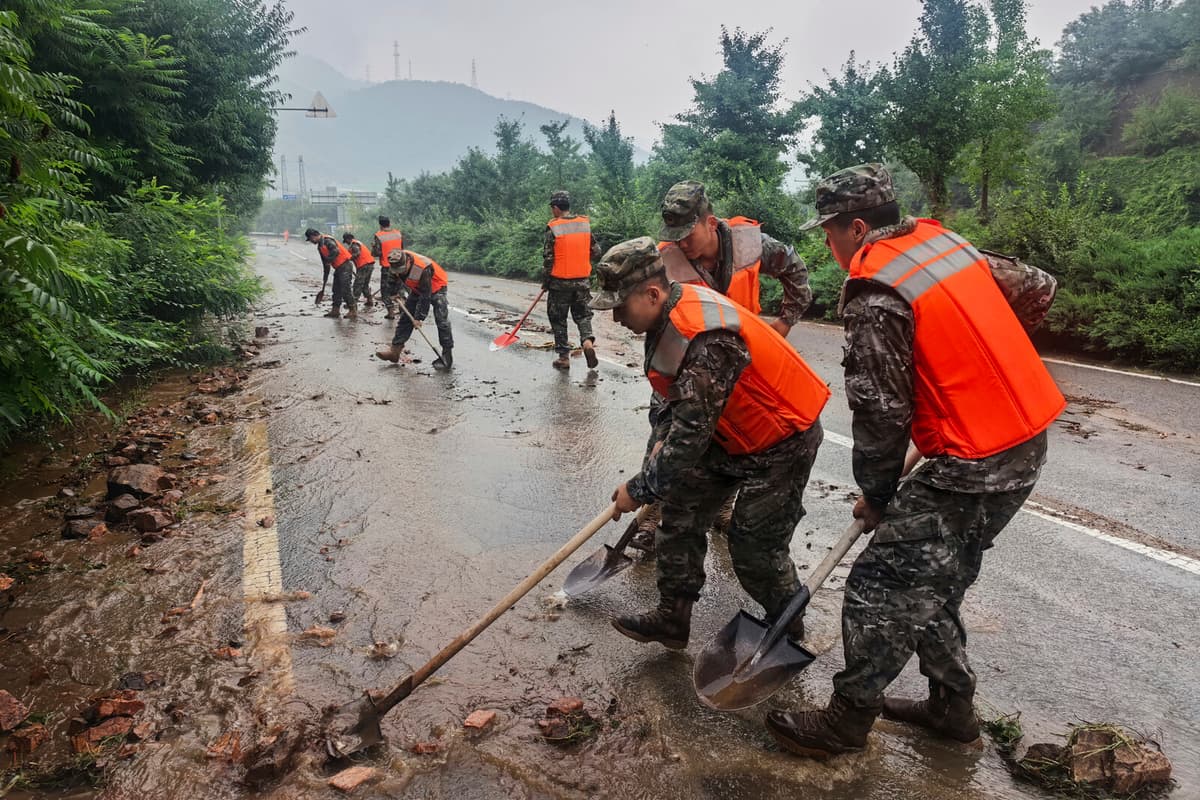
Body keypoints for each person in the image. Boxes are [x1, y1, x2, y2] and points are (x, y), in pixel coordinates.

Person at [765, 164, 1065, 760]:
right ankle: (952, 711)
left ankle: (846, 723)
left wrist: (877, 494)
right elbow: (1038, 285)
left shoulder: (878, 292)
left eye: (828, 232)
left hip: (970, 463)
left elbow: (879, 413)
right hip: (1024, 440)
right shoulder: (944, 245)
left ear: (854, 227)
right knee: (936, 581)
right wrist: (982, 357)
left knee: (880, 585)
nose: (828, 245)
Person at [593, 237, 830, 650]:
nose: (614, 318)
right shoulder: (665, 316)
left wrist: (639, 487)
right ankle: (673, 617)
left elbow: (689, 439)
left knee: (753, 545)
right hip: (728, 429)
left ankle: (786, 627)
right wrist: (656, 448)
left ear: (652, 293)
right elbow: (674, 402)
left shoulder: (703, 338)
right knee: (680, 511)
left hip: (782, 439)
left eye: (619, 306)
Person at [632, 181, 817, 553]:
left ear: (710, 222)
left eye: (688, 234)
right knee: (667, 438)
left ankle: (723, 510)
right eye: (675, 236)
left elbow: (796, 272)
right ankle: (653, 516)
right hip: (684, 367)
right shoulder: (666, 262)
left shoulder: (751, 245)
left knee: (735, 439)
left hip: (742, 369)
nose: (682, 243)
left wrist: (785, 322)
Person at [543, 190, 601, 370]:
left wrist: (546, 281)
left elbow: (548, 258)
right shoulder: (584, 224)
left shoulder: (554, 227)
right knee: (583, 315)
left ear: (555, 208)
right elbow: (596, 251)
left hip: (559, 284)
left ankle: (563, 357)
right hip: (582, 282)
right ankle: (587, 342)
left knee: (558, 318)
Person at [374, 249, 454, 370]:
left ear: (407, 262)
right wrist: (393, 292)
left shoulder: (421, 268)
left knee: (442, 321)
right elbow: (392, 278)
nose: (400, 272)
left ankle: (447, 355)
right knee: (405, 318)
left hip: (437, 286)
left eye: (402, 269)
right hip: (417, 288)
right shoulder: (395, 262)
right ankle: (395, 351)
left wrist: (419, 318)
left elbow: (425, 296)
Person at [305, 228, 356, 318]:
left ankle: (352, 310)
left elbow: (335, 251)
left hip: (345, 265)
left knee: (345, 289)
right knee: (336, 289)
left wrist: (329, 260)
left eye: (311, 239)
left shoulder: (327, 241)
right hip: (338, 267)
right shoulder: (320, 247)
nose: (311, 241)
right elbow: (325, 264)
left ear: (313, 236)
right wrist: (325, 277)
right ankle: (335, 310)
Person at [371, 216, 405, 319]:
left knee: (385, 290)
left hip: (387, 267)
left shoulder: (379, 236)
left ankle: (390, 311)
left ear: (380, 225)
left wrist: (373, 247)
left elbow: (376, 253)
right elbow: (402, 248)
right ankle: (402, 308)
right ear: (389, 223)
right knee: (400, 287)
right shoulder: (398, 233)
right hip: (400, 265)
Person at [343, 232, 376, 308]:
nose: (346, 243)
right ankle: (369, 300)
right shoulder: (357, 243)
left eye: (346, 241)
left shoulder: (354, 245)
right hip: (369, 264)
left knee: (357, 284)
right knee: (364, 285)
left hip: (364, 265)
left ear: (348, 239)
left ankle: (353, 303)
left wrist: (349, 258)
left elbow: (357, 253)